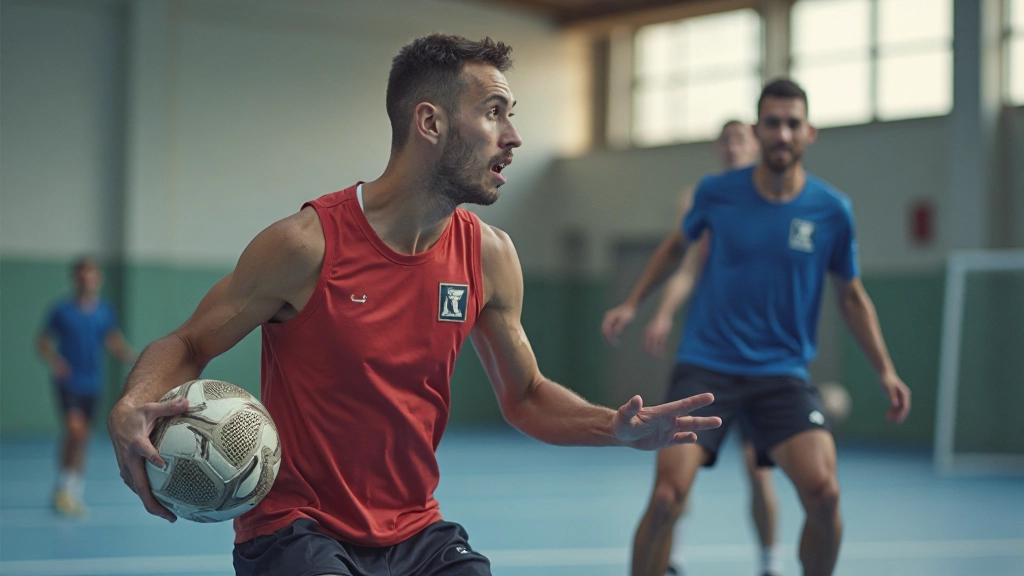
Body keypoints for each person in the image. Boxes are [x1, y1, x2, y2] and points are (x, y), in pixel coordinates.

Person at [107, 34, 722, 576]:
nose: (513, 138)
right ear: (430, 123)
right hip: (296, 531)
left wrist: (613, 427)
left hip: (417, 533)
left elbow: (526, 396)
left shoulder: (489, 257)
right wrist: (133, 404)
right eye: (493, 114)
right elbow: (189, 344)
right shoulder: (306, 245)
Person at [602, 79, 911, 576]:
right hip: (706, 367)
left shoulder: (832, 211)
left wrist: (886, 370)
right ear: (756, 130)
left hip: (782, 374)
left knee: (825, 496)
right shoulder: (716, 194)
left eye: (793, 124)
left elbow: (851, 296)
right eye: (772, 123)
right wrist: (635, 302)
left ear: (809, 132)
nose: (782, 134)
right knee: (665, 498)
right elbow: (677, 248)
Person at [640, 120, 782, 576]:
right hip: (709, 355)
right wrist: (662, 313)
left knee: (758, 470)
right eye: (726, 138)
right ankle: (674, 555)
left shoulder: (777, 197)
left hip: (764, 358)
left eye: (741, 137)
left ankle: (769, 562)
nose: (733, 145)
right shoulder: (701, 198)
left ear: (756, 145)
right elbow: (684, 270)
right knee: (681, 461)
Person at [37, 257, 136, 516]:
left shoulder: (105, 311)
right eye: (82, 276)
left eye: (91, 276)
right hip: (68, 382)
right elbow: (43, 342)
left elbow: (112, 341)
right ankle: (65, 488)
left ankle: (69, 489)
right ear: (75, 279)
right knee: (75, 430)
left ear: (97, 279)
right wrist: (55, 361)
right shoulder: (61, 311)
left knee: (80, 439)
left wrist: (133, 358)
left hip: (93, 384)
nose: (87, 281)